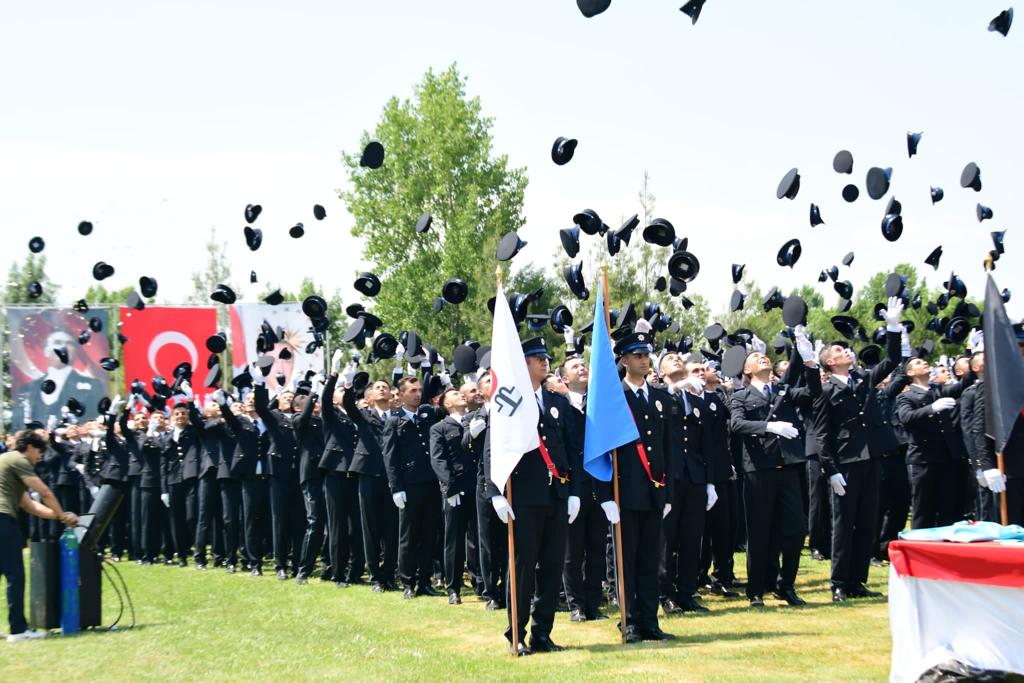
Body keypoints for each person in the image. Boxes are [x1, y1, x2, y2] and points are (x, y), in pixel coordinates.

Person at [484, 337, 581, 655]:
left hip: (556, 494)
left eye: (545, 358)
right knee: (523, 567)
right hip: (524, 495)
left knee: (552, 567)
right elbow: (493, 449)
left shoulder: (557, 402)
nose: (544, 362)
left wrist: (574, 493)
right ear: (521, 363)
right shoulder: (508, 402)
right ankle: (517, 633)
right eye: (536, 358)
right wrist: (496, 493)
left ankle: (543, 634)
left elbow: (571, 449)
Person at [811, 296, 903, 602]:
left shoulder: (862, 379)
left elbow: (891, 361)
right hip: (845, 463)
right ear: (830, 362)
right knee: (843, 523)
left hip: (870, 458)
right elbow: (822, 434)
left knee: (866, 520)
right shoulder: (826, 391)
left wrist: (893, 328)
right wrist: (831, 470)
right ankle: (839, 582)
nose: (845, 351)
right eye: (838, 351)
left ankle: (857, 580)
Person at [729, 326, 820, 608]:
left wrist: (810, 363)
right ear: (747, 370)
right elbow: (736, 424)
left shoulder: (783, 390)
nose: (764, 358)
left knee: (796, 529)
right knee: (759, 532)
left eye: (765, 356)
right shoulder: (740, 395)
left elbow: (813, 392)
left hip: (788, 466)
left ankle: (785, 585)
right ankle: (756, 590)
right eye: (757, 357)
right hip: (759, 469)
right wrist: (769, 426)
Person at [604, 329, 675, 642]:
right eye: (637, 355)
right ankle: (629, 621)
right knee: (627, 561)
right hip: (625, 491)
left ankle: (649, 621)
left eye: (646, 355)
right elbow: (604, 448)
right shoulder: (614, 398)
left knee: (650, 561)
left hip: (654, 490)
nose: (644, 360)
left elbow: (668, 447)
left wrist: (668, 493)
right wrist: (605, 495)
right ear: (624, 360)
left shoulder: (660, 398)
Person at [1, 429, 79, 642]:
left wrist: (60, 517)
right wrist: (63, 515)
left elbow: (30, 505)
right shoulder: (19, 460)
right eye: (39, 452)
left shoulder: (6, 461)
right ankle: (19, 630)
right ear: (29, 447)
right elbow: (45, 492)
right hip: (3, 521)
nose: (40, 457)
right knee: (15, 575)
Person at [557, 337, 607, 623]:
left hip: (597, 483)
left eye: (584, 364)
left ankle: (593, 603)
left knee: (597, 547)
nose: (583, 368)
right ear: (565, 378)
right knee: (572, 551)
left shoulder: (598, 403)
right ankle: (575, 604)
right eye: (575, 366)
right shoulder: (560, 405)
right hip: (571, 485)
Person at [895, 356, 973, 529]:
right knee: (923, 508)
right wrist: (932, 408)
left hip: (946, 457)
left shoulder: (939, 390)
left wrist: (974, 362)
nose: (924, 362)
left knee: (948, 507)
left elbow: (962, 385)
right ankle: (919, 544)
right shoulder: (906, 396)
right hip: (923, 459)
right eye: (918, 363)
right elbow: (906, 417)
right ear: (910, 373)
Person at [383, 374, 443, 599]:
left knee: (429, 534)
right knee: (408, 536)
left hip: (430, 482)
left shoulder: (427, 415)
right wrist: (396, 487)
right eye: (413, 391)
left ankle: (424, 581)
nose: (418, 394)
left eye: (419, 390)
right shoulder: (394, 421)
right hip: (409, 485)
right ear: (401, 394)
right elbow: (390, 457)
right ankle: (407, 581)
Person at [343, 377, 398, 593]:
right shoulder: (364, 415)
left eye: (385, 387)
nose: (382, 389)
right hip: (369, 474)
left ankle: (389, 574)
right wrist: (348, 386)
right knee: (370, 527)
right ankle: (375, 577)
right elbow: (349, 406)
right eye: (378, 387)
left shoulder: (397, 416)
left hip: (392, 477)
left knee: (392, 528)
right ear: (371, 396)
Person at [253, 371, 305, 580]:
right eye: (285, 397)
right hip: (278, 473)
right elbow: (260, 408)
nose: (289, 399)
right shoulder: (274, 417)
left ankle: (297, 562)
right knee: (279, 519)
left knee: (299, 519)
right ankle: (280, 564)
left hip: (298, 472)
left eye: (292, 397)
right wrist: (259, 384)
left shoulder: (301, 418)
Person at [321, 355, 365, 587]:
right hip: (336, 474)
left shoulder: (358, 415)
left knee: (356, 526)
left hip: (355, 473)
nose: (343, 392)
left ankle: (355, 571)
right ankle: (338, 573)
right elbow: (325, 399)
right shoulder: (332, 415)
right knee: (337, 526)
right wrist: (334, 375)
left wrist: (349, 384)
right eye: (339, 391)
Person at [430, 388, 475, 604]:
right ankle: (453, 587)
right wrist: (449, 488)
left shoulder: (475, 420)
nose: (461, 395)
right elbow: (438, 459)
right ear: (446, 404)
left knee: (478, 540)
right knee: (454, 541)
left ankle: (481, 583)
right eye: (455, 394)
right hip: (456, 488)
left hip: (478, 486)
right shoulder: (439, 428)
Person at [464, 371, 505, 611]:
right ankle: (491, 591)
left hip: (511, 482)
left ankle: (509, 588)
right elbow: (463, 445)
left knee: (509, 539)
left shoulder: (510, 412)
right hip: (485, 484)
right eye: (488, 381)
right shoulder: (474, 416)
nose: (494, 382)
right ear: (480, 391)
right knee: (487, 540)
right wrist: (472, 434)